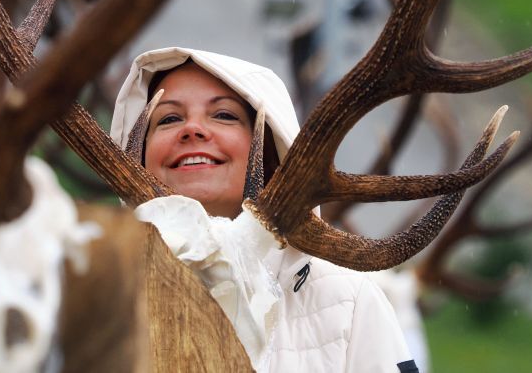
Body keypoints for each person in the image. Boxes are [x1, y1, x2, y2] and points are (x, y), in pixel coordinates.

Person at [111, 46, 419, 373]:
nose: (192, 129)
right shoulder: (96, 296)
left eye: (224, 115)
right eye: (169, 118)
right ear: (138, 156)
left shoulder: (348, 300)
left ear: (272, 152)